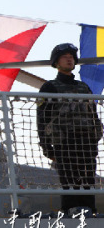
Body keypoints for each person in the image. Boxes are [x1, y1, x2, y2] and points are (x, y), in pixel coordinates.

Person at [37, 43, 103, 215]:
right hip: (64, 141)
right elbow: (42, 119)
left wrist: (96, 136)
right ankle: (69, 210)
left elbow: (93, 114)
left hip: (86, 140)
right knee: (68, 177)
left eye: (72, 57)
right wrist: (46, 146)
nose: (69, 59)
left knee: (88, 177)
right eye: (65, 57)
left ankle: (90, 210)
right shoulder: (49, 87)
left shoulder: (84, 88)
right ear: (56, 62)